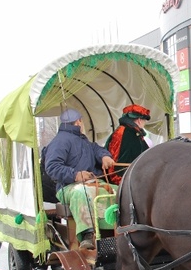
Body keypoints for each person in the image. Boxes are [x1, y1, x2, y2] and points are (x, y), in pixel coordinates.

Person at [44, 108, 116, 250]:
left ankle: (122, 227)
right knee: (82, 193)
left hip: (93, 183)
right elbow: (51, 167)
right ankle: (87, 235)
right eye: (81, 121)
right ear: (78, 122)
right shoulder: (59, 142)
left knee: (120, 190)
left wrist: (105, 156)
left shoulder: (83, 140)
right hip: (68, 187)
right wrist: (75, 174)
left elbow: (96, 149)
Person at [104, 104, 152, 185]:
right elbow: (118, 165)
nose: (144, 124)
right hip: (124, 178)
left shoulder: (133, 132)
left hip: (132, 174)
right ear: (139, 120)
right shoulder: (126, 133)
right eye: (144, 121)